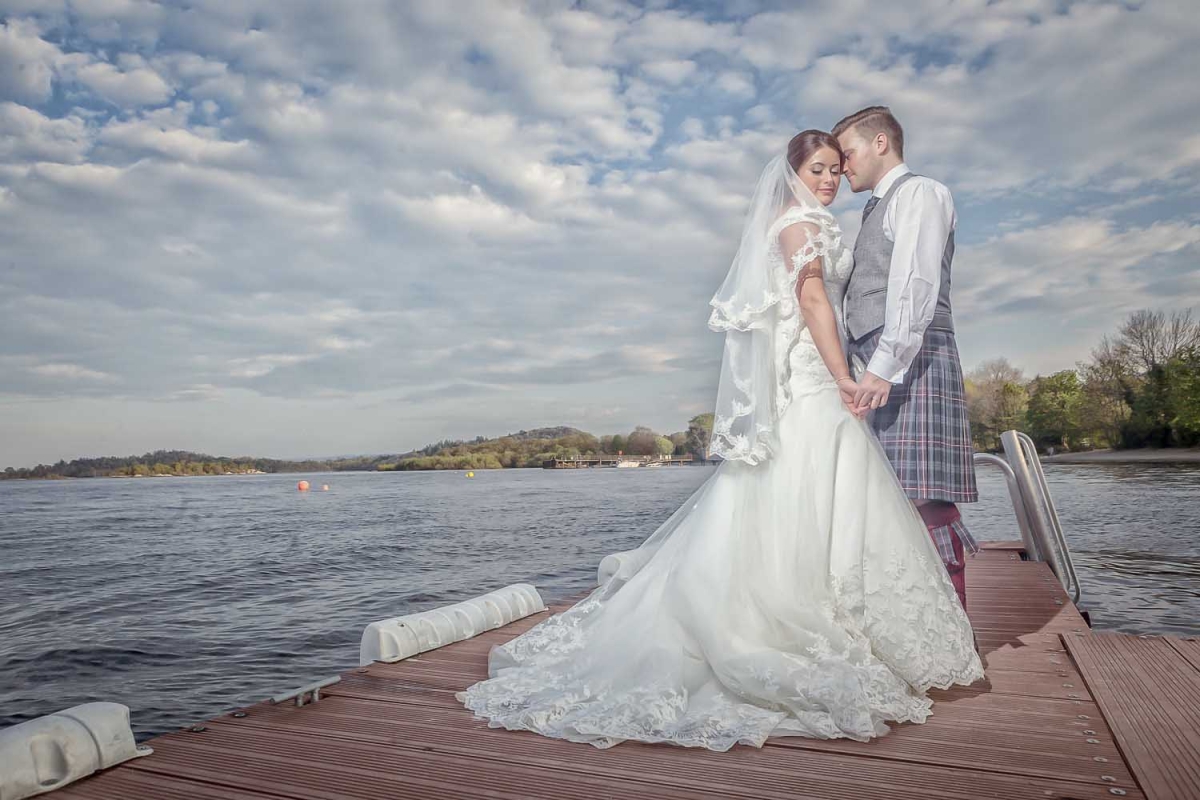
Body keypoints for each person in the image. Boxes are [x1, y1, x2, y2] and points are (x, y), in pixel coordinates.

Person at [457, 130, 983, 751]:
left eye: (836, 171)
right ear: (791, 173)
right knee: (814, 487)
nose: (829, 180)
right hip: (814, 373)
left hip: (815, 370)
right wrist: (843, 374)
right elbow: (812, 297)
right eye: (818, 169)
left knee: (817, 494)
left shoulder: (816, 219)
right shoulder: (796, 223)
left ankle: (838, 609)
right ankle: (797, 615)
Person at [833, 107, 980, 609]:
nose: (841, 166)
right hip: (881, 361)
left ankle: (953, 626)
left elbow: (916, 283)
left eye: (846, 154)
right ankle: (906, 616)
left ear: (880, 143)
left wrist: (883, 365)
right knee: (889, 493)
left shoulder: (920, 192)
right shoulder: (873, 208)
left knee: (923, 492)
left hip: (910, 359)